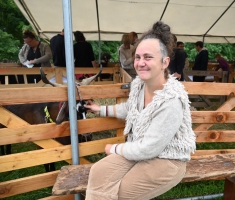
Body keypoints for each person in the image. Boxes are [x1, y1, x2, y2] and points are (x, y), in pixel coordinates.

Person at [84, 21, 196, 200]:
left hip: (167, 159)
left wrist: (114, 148)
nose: (141, 63)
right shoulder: (139, 85)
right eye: (138, 57)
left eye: (148, 57)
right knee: (98, 171)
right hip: (139, 150)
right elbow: (130, 109)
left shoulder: (172, 101)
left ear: (165, 62)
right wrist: (100, 109)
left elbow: (148, 149)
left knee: (122, 192)